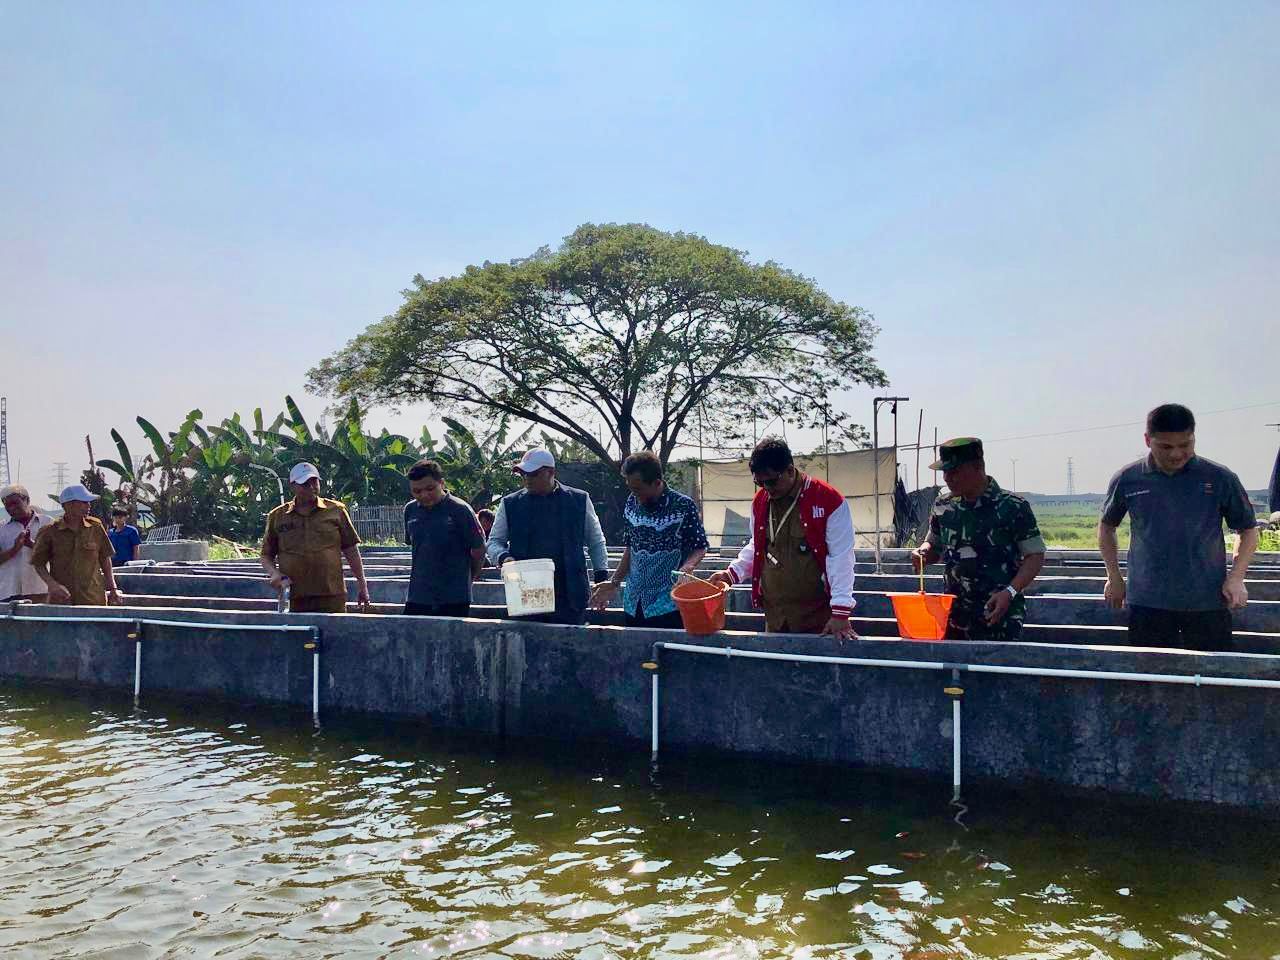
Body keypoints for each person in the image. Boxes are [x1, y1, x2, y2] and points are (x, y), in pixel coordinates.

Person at [1098, 404, 1259, 651]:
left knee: (1211, 675)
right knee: (1152, 677)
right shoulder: (1129, 479)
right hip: (1148, 600)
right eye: (1166, 447)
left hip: (1207, 600)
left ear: (1194, 438)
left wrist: (1236, 577)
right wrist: (1114, 576)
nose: (1176, 454)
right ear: (1147, 440)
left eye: (1185, 445)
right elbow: (1107, 526)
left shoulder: (1218, 478)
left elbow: (1247, 530)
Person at [708, 437, 857, 640]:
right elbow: (757, 545)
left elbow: (840, 557)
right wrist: (731, 574)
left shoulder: (828, 501)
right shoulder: (760, 502)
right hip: (776, 616)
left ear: (789, 470)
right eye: (759, 482)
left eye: (770, 481)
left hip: (818, 619)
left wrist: (841, 611)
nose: (766, 488)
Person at [912, 437, 1045, 642]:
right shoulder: (944, 505)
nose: (947, 478)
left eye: (954, 471)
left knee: (996, 671)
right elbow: (934, 545)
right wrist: (923, 552)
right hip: (953, 615)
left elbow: (1034, 556)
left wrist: (1009, 592)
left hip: (998, 613)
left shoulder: (1012, 507)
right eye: (945, 472)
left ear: (978, 467)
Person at [485, 449, 610, 625]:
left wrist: (601, 580)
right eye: (523, 474)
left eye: (533, 474)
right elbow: (493, 542)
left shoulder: (579, 500)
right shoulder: (510, 504)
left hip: (570, 594)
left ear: (551, 472)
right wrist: (504, 557)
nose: (527, 479)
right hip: (526, 592)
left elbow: (596, 542)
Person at [590, 451, 709, 629]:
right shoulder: (631, 503)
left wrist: (688, 567)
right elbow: (631, 548)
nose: (635, 494)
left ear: (657, 483)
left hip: (667, 604)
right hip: (633, 601)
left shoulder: (683, 506)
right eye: (631, 488)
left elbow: (700, 547)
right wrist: (615, 582)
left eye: (638, 489)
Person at [260, 462, 370, 614]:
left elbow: (351, 550)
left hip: (331, 594)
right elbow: (266, 555)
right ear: (293, 486)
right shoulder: (278, 516)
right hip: (294, 596)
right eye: (305, 483)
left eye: (314, 481)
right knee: (298, 636)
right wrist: (274, 573)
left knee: (333, 635)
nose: (311, 487)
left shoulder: (336, 511)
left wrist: (362, 585)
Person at [402, 459, 486, 617]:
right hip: (418, 596)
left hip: (454, 598)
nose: (424, 495)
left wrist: (466, 581)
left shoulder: (460, 510)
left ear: (442, 483)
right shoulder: (410, 510)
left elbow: (479, 550)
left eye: (430, 488)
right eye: (417, 491)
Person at [30, 484, 123, 606]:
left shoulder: (95, 527)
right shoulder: (49, 531)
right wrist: (53, 585)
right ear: (69, 505)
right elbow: (38, 563)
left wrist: (113, 588)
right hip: (62, 600)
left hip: (93, 599)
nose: (88, 505)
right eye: (84, 502)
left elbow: (105, 558)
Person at [0, 484, 54, 603]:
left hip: (40, 589)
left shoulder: (47, 523)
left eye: (15, 503)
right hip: (9, 592)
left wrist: (31, 544)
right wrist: (14, 549)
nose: (11, 508)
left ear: (27, 500)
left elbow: (57, 554)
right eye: (7, 505)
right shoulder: (2, 528)